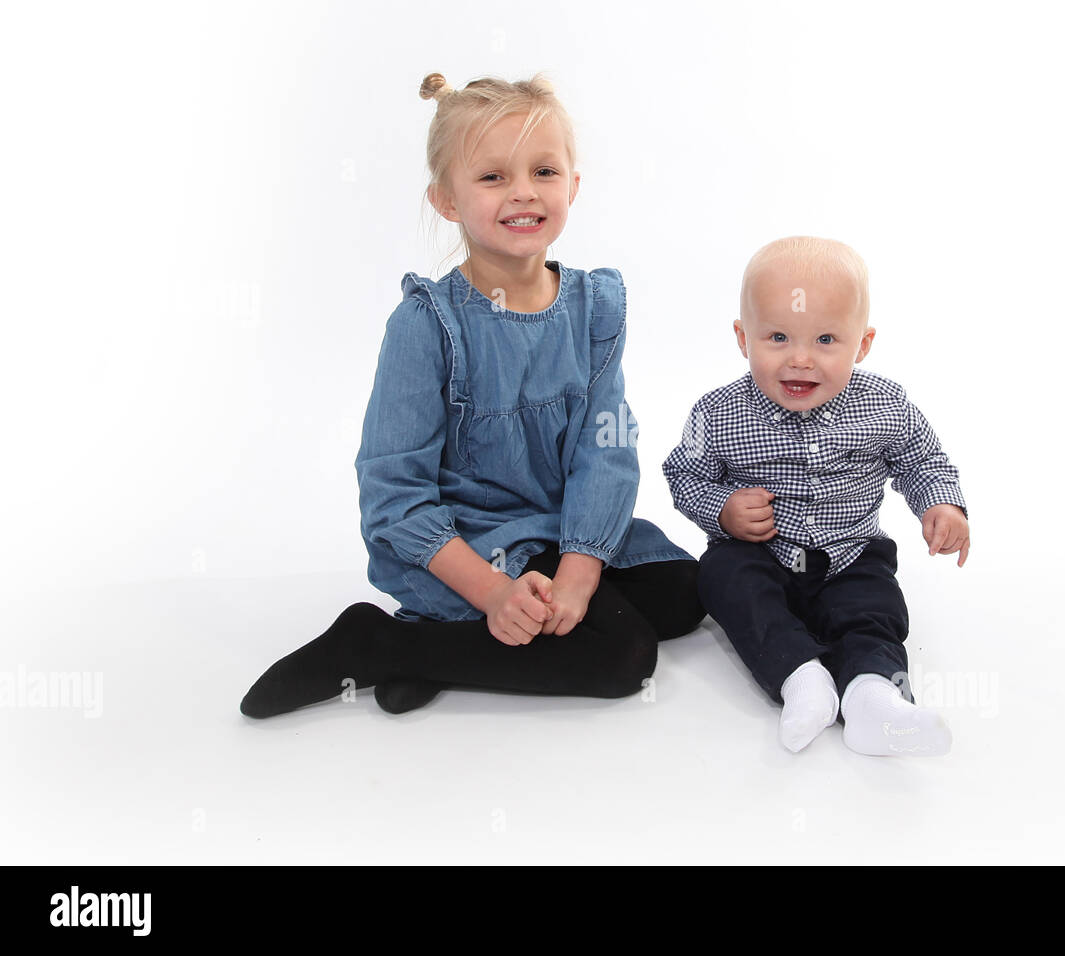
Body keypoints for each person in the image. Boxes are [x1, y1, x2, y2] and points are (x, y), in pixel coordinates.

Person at [241, 72, 704, 719]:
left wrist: (577, 572)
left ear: (573, 184)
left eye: (544, 171)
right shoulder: (428, 324)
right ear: (448, 200)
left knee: (685, 591)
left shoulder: (594, 308)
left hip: (556, 531)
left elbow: (607, 450)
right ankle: (375, 641)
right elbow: (393, 493)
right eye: (492, 177)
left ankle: (429, 651)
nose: (523, 192)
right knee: (622, 657)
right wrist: (492, 593)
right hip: (470, 542)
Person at [661, 236, 970, 755]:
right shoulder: (716, 413)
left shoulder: (885, 404)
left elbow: (922, 460)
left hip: (848, 554)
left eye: (827, 340)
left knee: (874, 607)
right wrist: (723, 511)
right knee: (723, 579)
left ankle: (874, 696)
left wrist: (941, 504)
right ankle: (801, 678)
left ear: (863, 345)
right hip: (762, 554)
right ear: (743, 338)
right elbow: (684, 475)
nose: (800, 360)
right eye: (778, 337)